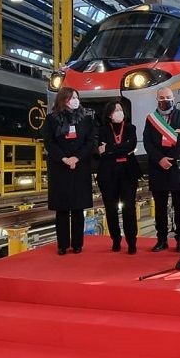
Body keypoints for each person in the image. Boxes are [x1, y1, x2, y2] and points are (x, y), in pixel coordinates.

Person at [42, 87, 97, 255]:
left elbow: (90, 142)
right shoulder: (51, 119)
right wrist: (64, 158)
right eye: (72, 97)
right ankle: (62, 244)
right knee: (62, 209)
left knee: (78, 208)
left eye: (76, 97)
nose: (75, 100)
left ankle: (78, 243)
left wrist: (77, 158)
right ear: (63, 99)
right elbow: (49, 142)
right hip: (60, 167)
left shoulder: (86, 119)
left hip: (80, 167)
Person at [96, 98, 141, 254]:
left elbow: (131, 145)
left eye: (121, 110)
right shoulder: (102, 130)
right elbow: (100, 152)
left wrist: (109, 148)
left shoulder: (130, 128)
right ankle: (116, 239)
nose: (119, 113)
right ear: (109, 114)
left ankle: (132, 241)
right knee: (111, 208)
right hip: (108, 174)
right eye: (116, 110)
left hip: (128, 173)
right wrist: (121, 149)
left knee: (129, 207)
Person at [142, 87, 180, 252]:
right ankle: (161, 239)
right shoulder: (151, 119)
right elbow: (147, 142)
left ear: (173, 98)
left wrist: (173, 159)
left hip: (176, 167)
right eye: (161, 97)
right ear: (157, 99)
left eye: (168, 97)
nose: (165, 100)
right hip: (157, 168)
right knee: (160, 208)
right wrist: (160, 159)